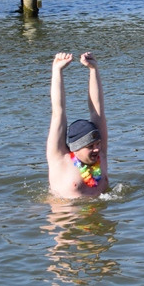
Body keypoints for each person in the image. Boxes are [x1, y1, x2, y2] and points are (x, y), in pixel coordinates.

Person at [47, 52, 109, 199]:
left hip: (100, 212)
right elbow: (58, 113)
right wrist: (57, 70)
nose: (97, 149)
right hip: (68, 213)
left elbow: (97, 111)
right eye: (90, 146)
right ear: (76, 148)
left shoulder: (100, 155)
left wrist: (93, 69)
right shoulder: (60, 159)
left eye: (98, 143)